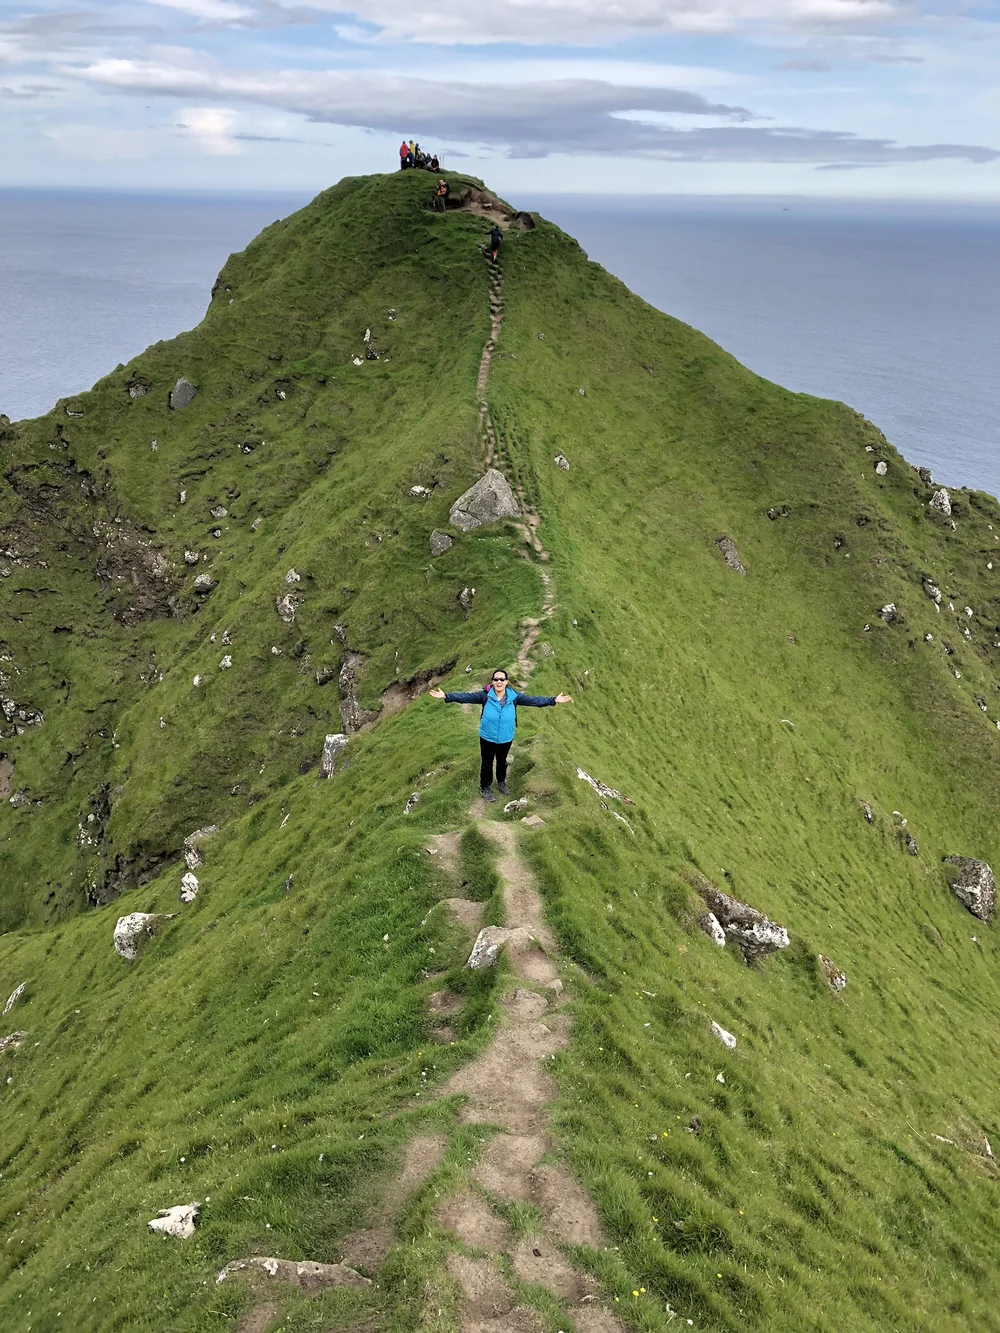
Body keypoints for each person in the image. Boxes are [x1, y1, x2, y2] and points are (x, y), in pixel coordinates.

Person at [429, 670, 572, 802]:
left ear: (506, 682)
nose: (499, 682)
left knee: (502, 761)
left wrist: (553, 700)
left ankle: (501, 782)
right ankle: (485, 787)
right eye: (496, 679)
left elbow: (534, 701)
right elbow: (466, 697)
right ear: (492, 682)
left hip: (506, 737)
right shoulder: (485, 696)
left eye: (502, 679)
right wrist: (446, 696)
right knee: (487, 763)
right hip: (487, 737)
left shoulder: (515, 697)